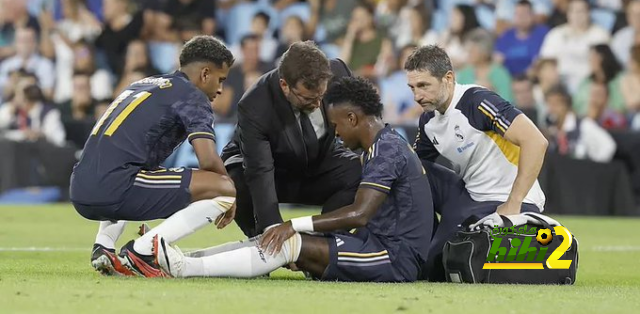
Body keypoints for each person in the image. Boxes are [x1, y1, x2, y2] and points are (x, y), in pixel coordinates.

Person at [155, 76, 434, 283]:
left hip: (393, 258)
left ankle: (185, 268)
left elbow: (360, 214)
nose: (334, 134)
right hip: (376, 246)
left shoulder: (386, 149)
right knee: (281, 240)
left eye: (335, 126)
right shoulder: (383, 144)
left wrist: (293, 225)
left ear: (352, 118)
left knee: (288, 241)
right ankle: (186, 259)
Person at [69, 36, 237, 278]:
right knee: (223, 189)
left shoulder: (143, 84)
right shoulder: (192, 96)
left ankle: (104, 245)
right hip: (114, 187)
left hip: (79, 185)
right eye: (220, 80)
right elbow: (208, 161)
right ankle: (143, 251)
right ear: (205, 74)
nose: (220, 89)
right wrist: (231, 192)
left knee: (133, 167)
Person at [405, 45, 547, 281]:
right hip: (469, 194)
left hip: (505, 198)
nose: (417, 96)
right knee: (405, 169)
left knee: (436, 269)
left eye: (423, 86)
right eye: (412, 87)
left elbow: (536, 141)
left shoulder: (477, 101)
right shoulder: (428, 121)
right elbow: (413, 168)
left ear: (448, 78)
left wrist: (514, 202)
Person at [220, 41, 362, 238]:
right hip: (274, 172)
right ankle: (261, 245)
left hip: (317, 162)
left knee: (361, 170)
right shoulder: (254, 105)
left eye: (321, 96)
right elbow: (260, 172)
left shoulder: (339, 73)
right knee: (236, 181)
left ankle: (323, 246)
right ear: (284, 85)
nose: (318, 103)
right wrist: (272, 230)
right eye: (308, 99)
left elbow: (364, 121)